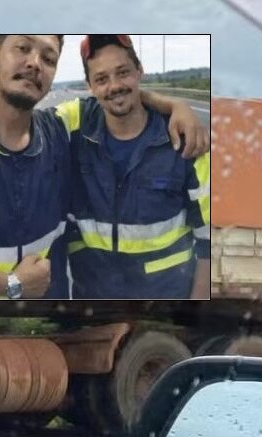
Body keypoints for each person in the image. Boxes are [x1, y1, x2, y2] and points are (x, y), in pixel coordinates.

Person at [0, 34, 207, 300]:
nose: (34, 63)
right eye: (23, 47)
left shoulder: (59, 134)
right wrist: (12, 285)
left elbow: (211, 246)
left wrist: (176, 106)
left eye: (48, 58)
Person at [62, 35, 210, 299]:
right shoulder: (75, 129)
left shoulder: (184, 141)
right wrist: (174, 103)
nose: (114, 86)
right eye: (101, 79)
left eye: (123, 73)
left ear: (140, 71)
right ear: (89, 87)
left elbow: (209, 242)